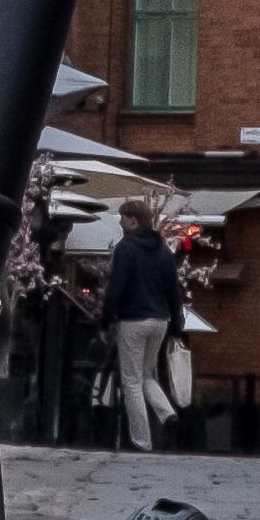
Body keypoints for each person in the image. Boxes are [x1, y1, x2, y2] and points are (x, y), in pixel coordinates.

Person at [103, 195, 185, 454]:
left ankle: (142, 442)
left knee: (131, 381)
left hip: (133, 320)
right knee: (147, 375)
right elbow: (174, 291)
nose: (120, 223)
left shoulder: (125, 249)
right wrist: (176, 325)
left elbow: (116, 290)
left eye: (123, 218)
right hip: (161, 320)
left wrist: (106, 320)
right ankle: (167, 414)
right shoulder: (163, 251)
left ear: (133, 220)